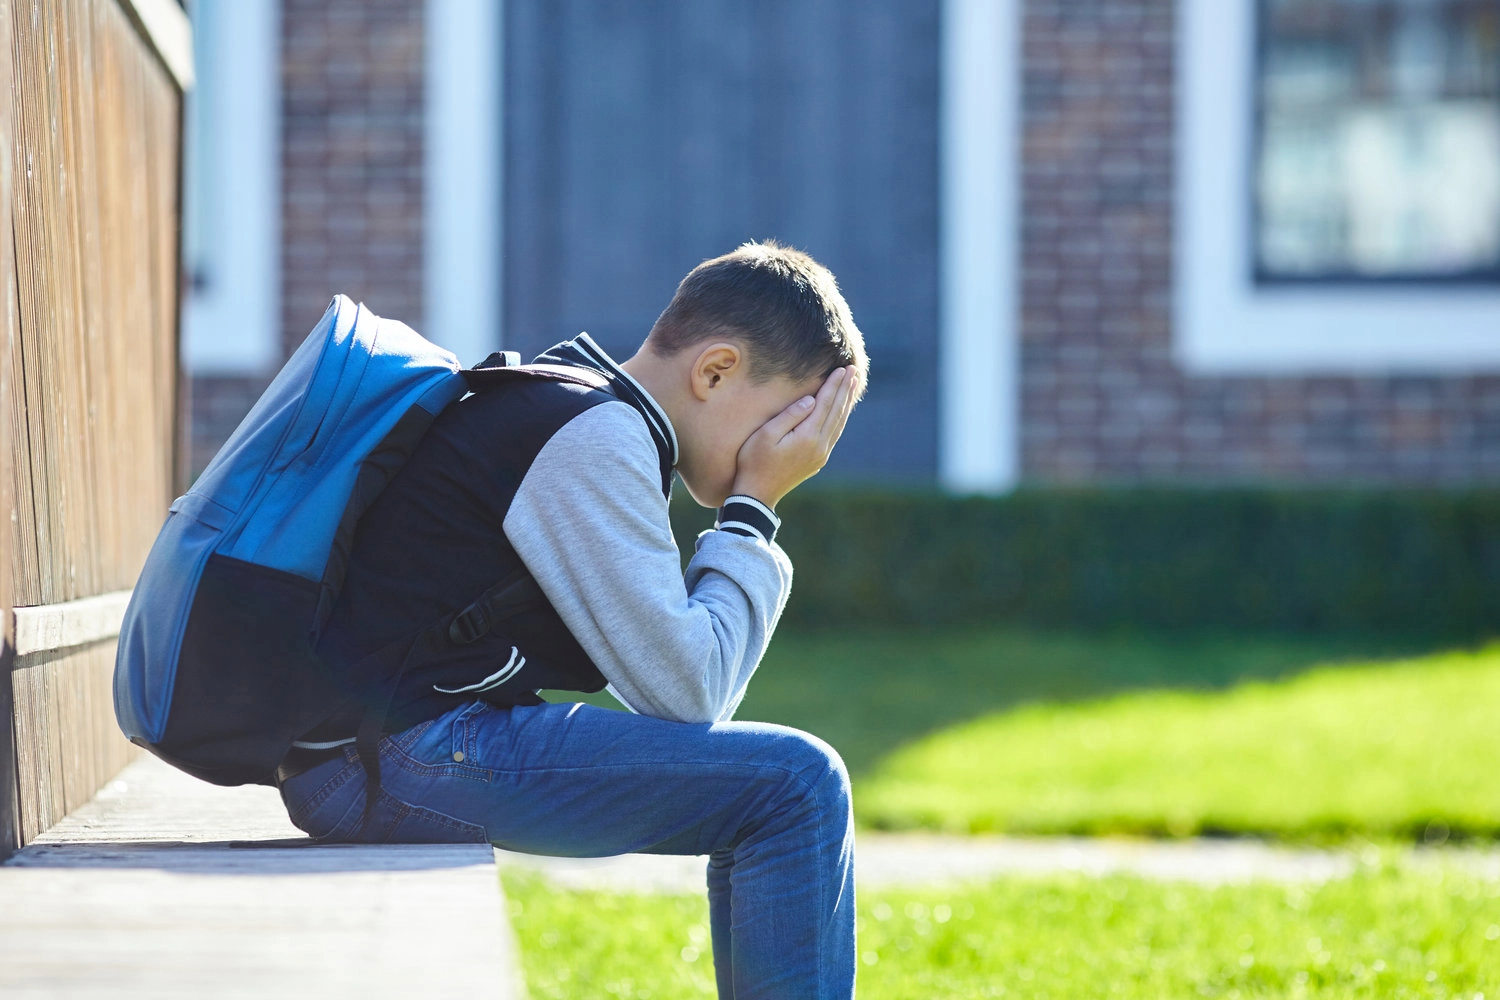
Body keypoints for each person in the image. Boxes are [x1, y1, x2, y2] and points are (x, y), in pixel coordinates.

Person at [275, 240, 869, 998]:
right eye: (793, 422)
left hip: (372, 754)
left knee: (779, 785)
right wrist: (755, 509)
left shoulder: (575, 403)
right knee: (796, 785)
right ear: (715, 371)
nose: (801, 451)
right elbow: (690, 692)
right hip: (391, 760)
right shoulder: (595, 436)